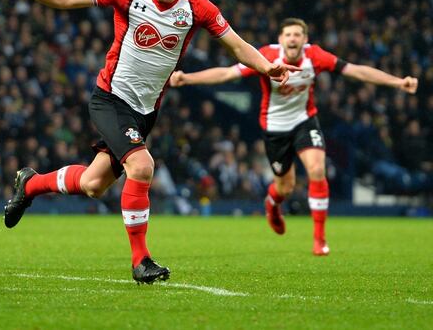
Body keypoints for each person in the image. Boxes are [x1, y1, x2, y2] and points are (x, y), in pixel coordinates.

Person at [3, 0, 298, 283]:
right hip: (110, 98)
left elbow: (235, 43)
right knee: (142, 166)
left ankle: (31, 183)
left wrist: (267, 67)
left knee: (94, 183)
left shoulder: (196, 5)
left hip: (145, 111)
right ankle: (140, 261)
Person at [170, 17, 418, 255]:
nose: (292, 39)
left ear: (305, 40)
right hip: (275, 128)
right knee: (285, 187)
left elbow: (355, 71)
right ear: (281, 39)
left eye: (297, 35)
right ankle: (272, 204)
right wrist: (187, 78)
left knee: (317, 169)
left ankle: (319, 239)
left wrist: (397, 82)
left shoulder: (315, 56)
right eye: (288, 34)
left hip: (304, 121)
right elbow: (227, 74)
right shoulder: (267, 56)